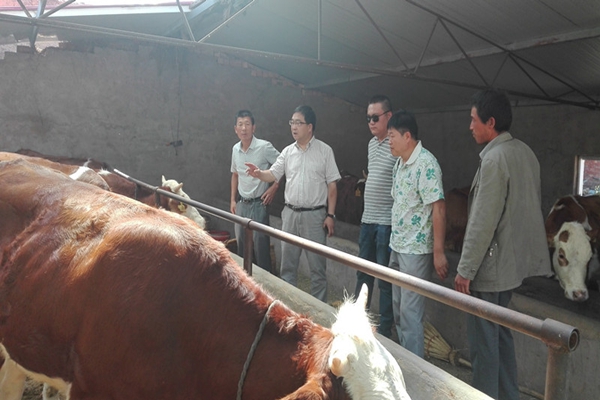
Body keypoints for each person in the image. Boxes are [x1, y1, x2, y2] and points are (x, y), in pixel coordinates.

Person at [453, 89, 551, 400]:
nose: (470, 126)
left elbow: (483, 222)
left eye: (474, 119)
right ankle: (508, 394)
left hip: (491, 266)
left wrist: (466, 270)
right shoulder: (525, 152)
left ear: (491, 122)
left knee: (484, 342)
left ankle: (483, 395)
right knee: (501, 332)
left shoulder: (494, 159)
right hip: (511, 266)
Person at [246, 105, 340, 302]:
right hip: (290, 214)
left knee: (317, 268)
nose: (293, 127)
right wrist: (259, 173)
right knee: (287, 267)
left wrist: (330, 215)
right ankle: (289, 308)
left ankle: (319, 310)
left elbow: (332, 186)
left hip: (315, 216)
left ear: (310, 127)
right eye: (292, 122)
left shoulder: (325, 151)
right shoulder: (288, 152)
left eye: (298, 123)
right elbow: (273, 174)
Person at [387, 110, 448, 357]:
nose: (389, 141)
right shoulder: (399, 164)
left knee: (410, 313)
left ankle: (414, 368)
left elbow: (439, 209)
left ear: (407, 136)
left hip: (416, 249)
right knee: (398, 307)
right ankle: (404, 359)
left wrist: (438, 252)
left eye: (392, 136)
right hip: (397, 244)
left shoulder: (426, 164)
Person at [353, 95, 396, 338]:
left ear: (388, 116)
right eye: (368, 118)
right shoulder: (372, 144)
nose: (371, 122)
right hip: (368, 220)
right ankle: (359, 320)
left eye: (375, 117)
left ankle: (386, 329)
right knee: (363, 271)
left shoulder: (396, 143)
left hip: (386, 223)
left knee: (384, 277)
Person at [230, 110, 280, 273]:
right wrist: (233, 200)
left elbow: (284, 165)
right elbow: (235, 175)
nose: (244, 128)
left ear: (254, 127)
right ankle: (245, 281)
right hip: (241, 204)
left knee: (261, 248)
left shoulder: (264, 147)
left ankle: (265, 283)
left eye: (247, 124)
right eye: (240, 124)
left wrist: (274, 187)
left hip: (259, 204)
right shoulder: (235, 149)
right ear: (235, 129)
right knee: (242, 246)